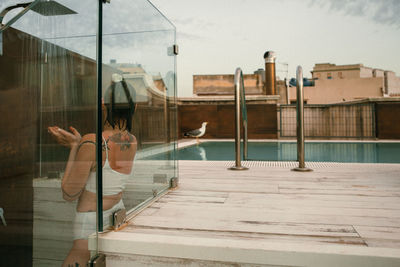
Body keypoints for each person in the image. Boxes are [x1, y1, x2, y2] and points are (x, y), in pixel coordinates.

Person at [48, 74, 137, 267]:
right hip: (117, 213)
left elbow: (69, 193)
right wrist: (81, 144)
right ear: (134, 107)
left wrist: (75, 146)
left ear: (103, 104)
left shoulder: (93, 141)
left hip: (90, 221)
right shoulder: (132, 140)